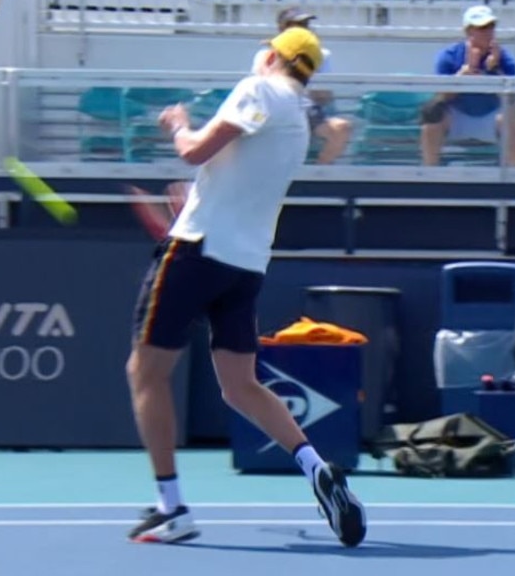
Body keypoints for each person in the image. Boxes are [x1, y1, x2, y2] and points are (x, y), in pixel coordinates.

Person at [124, 27, 366, 547]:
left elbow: (193, 152)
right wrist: (197, 199)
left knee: (144, 372)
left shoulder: (258, 90)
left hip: (197, 250)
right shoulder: (298, 121)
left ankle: (172, 509)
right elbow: (232, 177)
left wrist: (179, 125)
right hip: (244, 265)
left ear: (276, 56)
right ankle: (315, 466)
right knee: (239, 386)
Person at [421, 5, 515, 167]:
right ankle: (429, 173)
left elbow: (512, 98)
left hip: (492, 117)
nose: (487, 32)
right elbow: (441, 97)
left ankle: (514, 175)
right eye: (481, 28)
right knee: (432, 113)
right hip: (457, 116)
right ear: (468, 31)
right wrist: (463, 76)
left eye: (490, 27)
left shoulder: (505, 59)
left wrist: (495, 71)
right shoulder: (448, 56)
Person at [252, 7, 352, 164]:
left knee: (341, 128)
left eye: (305, 25)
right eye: (297, 24)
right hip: (274, 107)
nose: (303, 29)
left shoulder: (320, 54)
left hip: (308, 109)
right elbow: (261, 87)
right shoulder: (265, 54)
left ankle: (319, 172)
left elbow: (325, 96)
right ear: (282, 28)